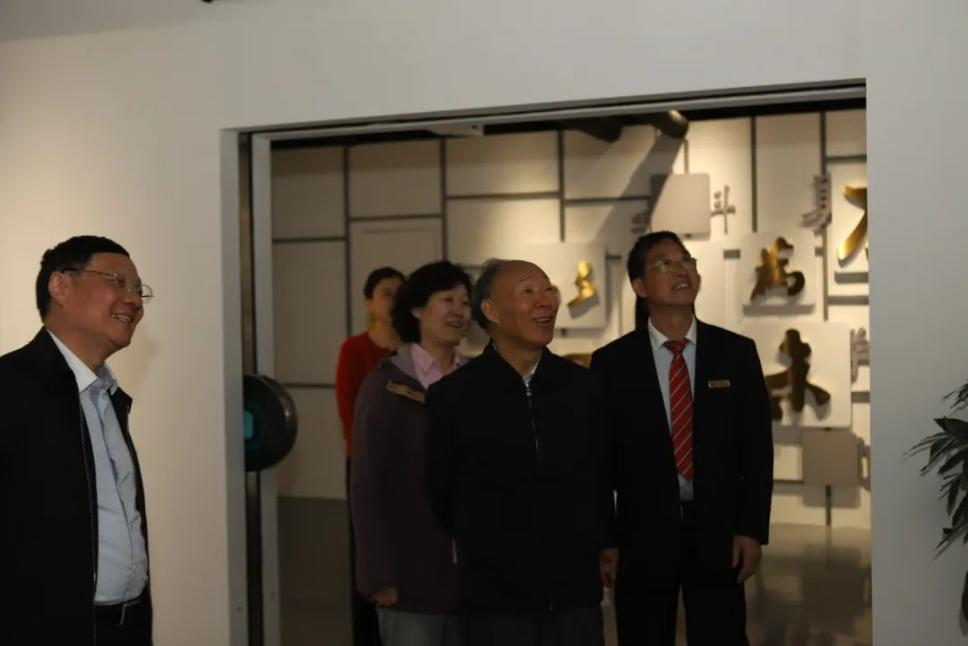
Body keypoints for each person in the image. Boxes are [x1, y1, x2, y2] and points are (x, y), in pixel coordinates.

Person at [590, 231, 773, 646]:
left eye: (687, 260)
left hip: (718, 531)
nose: (681, 269)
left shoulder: (735, 353)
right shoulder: (613, 363)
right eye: (665, 263)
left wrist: (751, 529)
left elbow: (756, 451)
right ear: (640, 286)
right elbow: (598, 461)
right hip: (640, 534)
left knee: (722, 634)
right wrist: (605, 540)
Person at [425, 258, 615, 646]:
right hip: (495, 599)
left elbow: (600, 477)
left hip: (574, 593)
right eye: (528, 291)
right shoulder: (454, 397)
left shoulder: (583, 387)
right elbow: (443, 494)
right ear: (491, 311)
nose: (545, 301)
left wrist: (603, 542)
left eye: (548, 289)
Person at [0, 236, 154, 646]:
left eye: (138, 290)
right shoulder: (9, 389)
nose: (133, 300)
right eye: (117, 281)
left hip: (125, 627)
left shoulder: (109, 398)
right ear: (61, 286)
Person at [351, 261, 473, 646]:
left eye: (465, 302)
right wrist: (378, 574)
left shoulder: (478, 381)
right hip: (409, 580)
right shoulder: (387, 384)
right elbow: (366, 486)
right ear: (417, 309)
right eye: (447, 300)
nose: (458, 311)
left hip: (473, 582)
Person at [336, 266, 405, 646]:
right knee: (367, 552)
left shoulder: (414, 349)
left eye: (399, 292)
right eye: (385, 293)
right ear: (369, 302)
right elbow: (348, 413)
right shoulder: (354, 349)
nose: (394, 299)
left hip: (409, 469)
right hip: (367, 466)